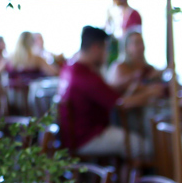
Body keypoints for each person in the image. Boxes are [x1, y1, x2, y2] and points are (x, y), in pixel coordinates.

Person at [59, 26, 157, 159]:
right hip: (87, 137)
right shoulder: (86, 76)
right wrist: (151, 93)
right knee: (147, 147)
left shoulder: (70, 68)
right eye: (106, 49)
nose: (107, 54)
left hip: (74, 136)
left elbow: (106, 91)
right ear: (95, 48)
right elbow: (121, 104)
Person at [106, 31, 164, 95]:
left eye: (142, 42)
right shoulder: (120, 67)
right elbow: (114, 91)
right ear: (127, 47)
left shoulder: (149, 68)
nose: (141, 47)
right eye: (137, 43)